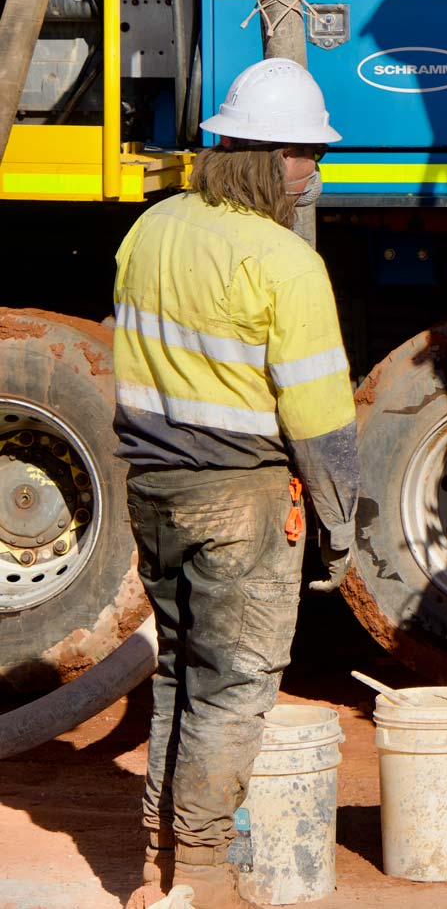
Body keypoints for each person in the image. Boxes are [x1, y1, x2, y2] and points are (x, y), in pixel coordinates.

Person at [115, 59, 358, 908]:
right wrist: (339, 525)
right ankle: (205, 881)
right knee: (232, 691)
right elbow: (322, 419)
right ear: (267, 159)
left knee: (180, 678)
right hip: (239, 501)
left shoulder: (151, 231)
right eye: (308, 158)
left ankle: (159, 868)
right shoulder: (284, 262)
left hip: (155, 490)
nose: (315, 175)